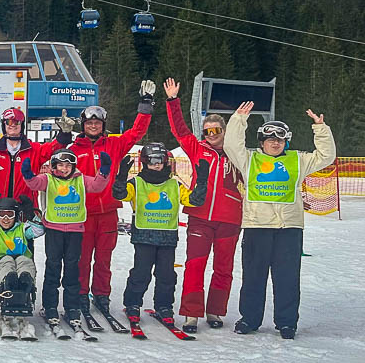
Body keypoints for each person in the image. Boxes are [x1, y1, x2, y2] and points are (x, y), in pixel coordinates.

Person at [224, 103, 335, 339]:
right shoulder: (249, 160)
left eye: (280, 139)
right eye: (270, 139)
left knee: (287, 278)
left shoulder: (298, 160)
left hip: (289, 229)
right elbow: (231, 145)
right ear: (262, 142)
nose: (275, 143)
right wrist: (238, 120)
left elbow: (327, 156)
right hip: (257, 227)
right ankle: (250, 319)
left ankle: (286, 323)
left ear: (286, 142)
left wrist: (320, 128)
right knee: (254, 277)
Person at [68, 81, 156, 316]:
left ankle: (101, 294)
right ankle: (80, 293)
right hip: (82, 214)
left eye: (97, 122)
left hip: (107, 212)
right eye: (89, 122)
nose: (94, 125)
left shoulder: (114, 144)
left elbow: (137, 132)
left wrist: (145, 105)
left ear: (103, 125)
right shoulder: (74, 150)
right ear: (83, 125)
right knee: (83, 259)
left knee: (104, 259)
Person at [163, 78, 244, 333]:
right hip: (201, 216)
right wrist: (173, 101)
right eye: (207, 131)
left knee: (223, 267)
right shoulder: (199, 149)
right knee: (195, 264)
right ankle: (191, 313)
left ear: (224, 131)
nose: (211, 135)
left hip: (230, 218)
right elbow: (180, 131)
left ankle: (215, 310)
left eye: (216, 131)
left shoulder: (237, 153)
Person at [111, 143, 208, 333]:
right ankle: (132, 303)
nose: (157, 165)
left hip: (167, 238)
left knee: (166, 275)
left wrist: (202, 181)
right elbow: (120, 194)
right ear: (145, 162)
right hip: (144, 236)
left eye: (161, 161)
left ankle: (164, 306)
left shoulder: (174, 184)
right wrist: (121, 177)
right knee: (141, 273)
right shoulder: (137, 183)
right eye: (153, 161)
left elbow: (194, 200)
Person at [23, 148, 111, 336]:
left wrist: (103, 171)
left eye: (68, 165)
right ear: (54, 166)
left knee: (72, 269)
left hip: (75, 231)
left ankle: (72, 307)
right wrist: (28, 174)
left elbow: (96, 186)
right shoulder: (49, 179)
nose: (64, 169)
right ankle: (50, 306)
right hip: (54, 230)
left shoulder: (80, 179)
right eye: (60, 165)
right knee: (53, 267)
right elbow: (35, 184)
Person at [0, 107, 72, 216]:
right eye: (8, 122)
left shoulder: (34, 150)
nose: (12, 125)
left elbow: (53, 149)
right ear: (4, 125)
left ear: (21, 125)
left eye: (16, 122)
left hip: (25, 210)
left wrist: (64, 134)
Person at [0, 188, 45, 339]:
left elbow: (39, 230)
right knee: (7, 262)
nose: (6, 219)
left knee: (24, 262)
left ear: (16, 216)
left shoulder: (23, 228)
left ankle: (26, 281)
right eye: (2, 214)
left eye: (10, 214)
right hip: (1, 262)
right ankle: (9, 281)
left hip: (21, 259)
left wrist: (31, 215)